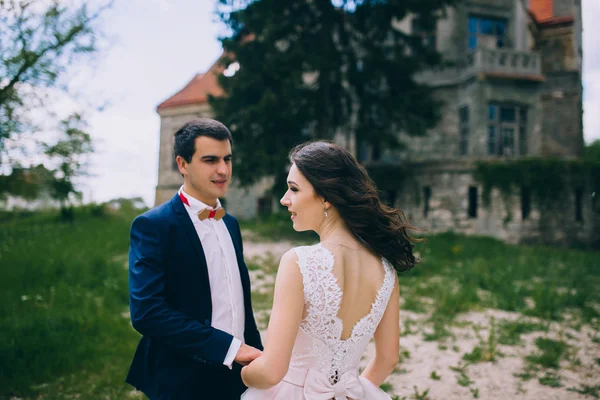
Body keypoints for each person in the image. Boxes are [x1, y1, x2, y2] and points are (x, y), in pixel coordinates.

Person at [240, 140, 420, 399]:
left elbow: (271, 372)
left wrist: (245, 374)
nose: (284, 199)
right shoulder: (386, 270)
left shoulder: (299, 262)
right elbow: (388, 359)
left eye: (293, 189)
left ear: (325, 197)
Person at [126, 118, 263, 400]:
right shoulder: (153, 225)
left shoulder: (231, 224)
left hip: (239, 373)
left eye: (227, 159)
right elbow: (147, 313)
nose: (223, 170)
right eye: (210, 160)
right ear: (182, 164)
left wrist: (256, 354)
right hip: (183, 378)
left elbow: (239, 301)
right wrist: (227, 347)